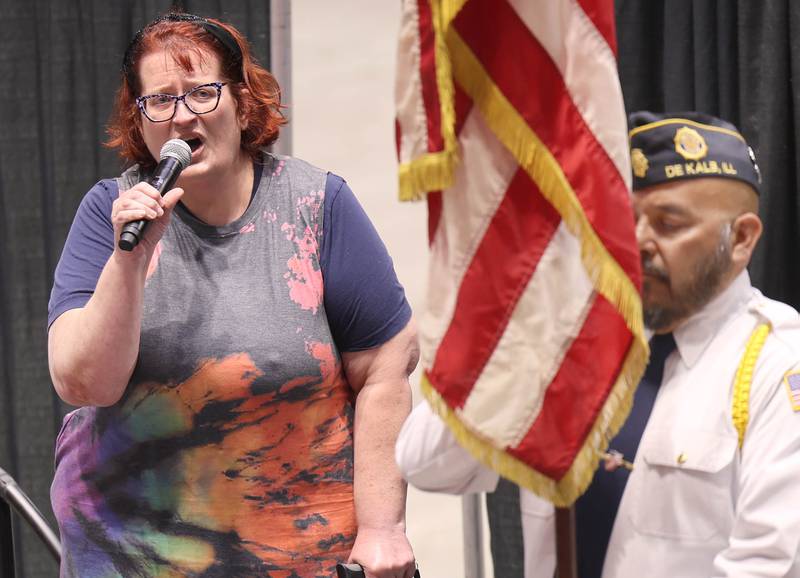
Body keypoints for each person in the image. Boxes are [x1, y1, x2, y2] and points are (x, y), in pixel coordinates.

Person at [47, 12, 419, 578]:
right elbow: (84, 383)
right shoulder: (109, 213)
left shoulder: (316, 206)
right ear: (139, 121)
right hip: (134, 554)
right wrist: (129, 264)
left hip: (299, 549)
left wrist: (382, 528)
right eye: (160, 101)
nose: (181, 116)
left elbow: (385, 368)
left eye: (201, 93)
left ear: (242, 103)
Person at [396, 111, 800, 577]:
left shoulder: (776, 364)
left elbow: (771, 564)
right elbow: (424, 464)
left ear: (742, 238)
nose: (640, 241)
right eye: (629, 220)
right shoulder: (570, 340)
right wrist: (516, 336)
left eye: (669, 225)